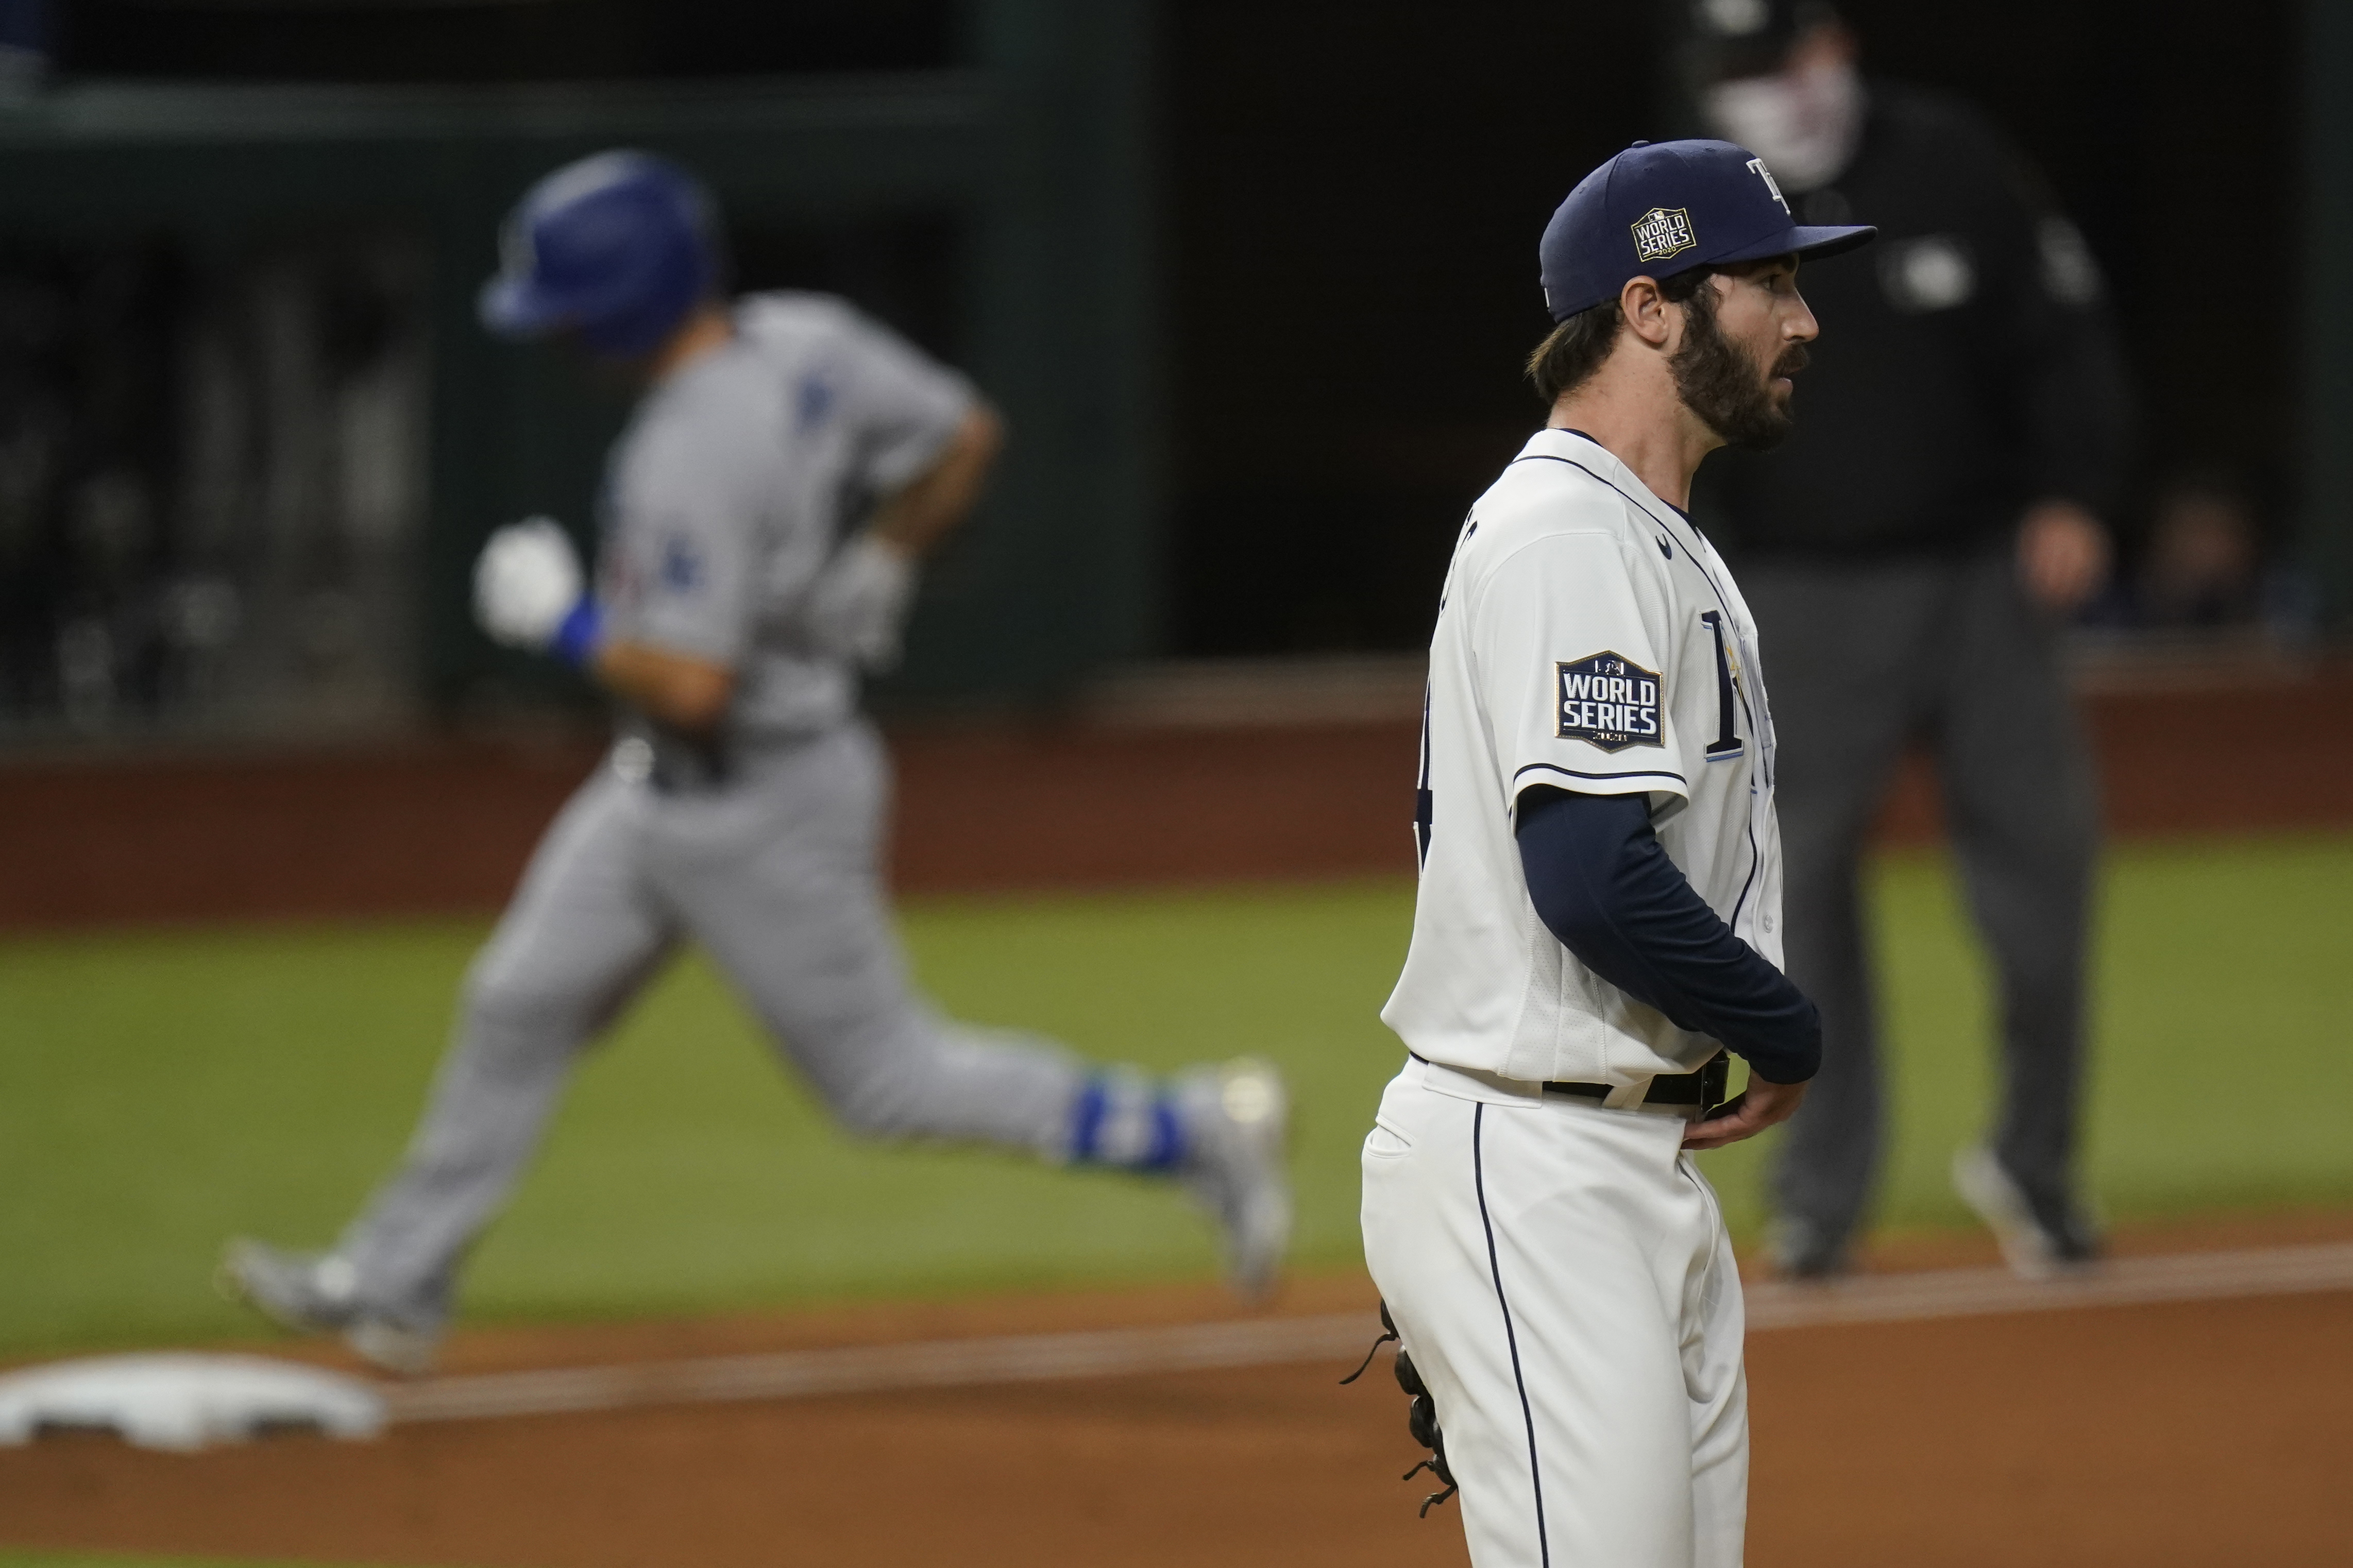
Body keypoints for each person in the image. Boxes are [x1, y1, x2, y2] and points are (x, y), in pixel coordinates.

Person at [219, 150, 1291, 1374]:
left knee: (889, 1084)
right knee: (516, 1002)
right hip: (652, 796)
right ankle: (400, 1278)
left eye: (567, 308)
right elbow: (963, 437)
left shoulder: (689, 453)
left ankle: (1196, 1132)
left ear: (619, 303)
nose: (556, 337)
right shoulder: (803, 341)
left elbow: (696, 683)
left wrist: (563, 623)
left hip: (765, 805)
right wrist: (887, 553)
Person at [1359, 139, 1869, 1567]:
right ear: (1653, 308)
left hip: (1623, 1161)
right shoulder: (1565, 532)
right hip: (1534, 1163)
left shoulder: (1656, 537)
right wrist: (1786, 1030)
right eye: (1769, 281)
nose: (1805, 320)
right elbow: (1589, 874)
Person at [1687, 0, 2133, 1279]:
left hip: (1983, 579)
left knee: (2043, 883)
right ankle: (1823, 1194)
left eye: (1772, 60)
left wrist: (2072, 488)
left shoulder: (1949, 155)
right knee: (1802, 902)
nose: (1755, 91)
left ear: (1829, 44)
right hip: (1800, 594)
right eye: (1732, 71)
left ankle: (2036, 1168)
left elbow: (2061, 333)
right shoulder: (1703, 195)